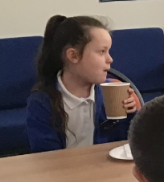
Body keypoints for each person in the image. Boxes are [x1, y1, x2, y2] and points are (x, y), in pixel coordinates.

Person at [27, 16, 137, 153]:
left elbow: (125, 145)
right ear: (73, 56)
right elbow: (45, 156)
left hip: (104, 169)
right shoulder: (42, 102)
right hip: (63, 172)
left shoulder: (107, 94)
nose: (110, 59)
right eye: (102, 51)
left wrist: (130, 115)